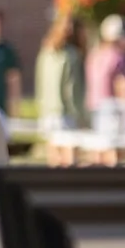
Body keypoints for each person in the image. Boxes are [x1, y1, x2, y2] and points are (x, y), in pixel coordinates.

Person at [34, 16, 87, 164]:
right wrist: (80, 115)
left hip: (47, 112)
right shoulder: (72, 54)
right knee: (70, 160)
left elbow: (39, 81)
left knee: (54, 161)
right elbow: (72, 88)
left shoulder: (46, 51)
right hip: (66, 113)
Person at [85, 15, 125, 135]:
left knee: (98, 140)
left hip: (94, 105)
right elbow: (122, 86)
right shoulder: (119, 57)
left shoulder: (95, 54)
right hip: (112, 108)